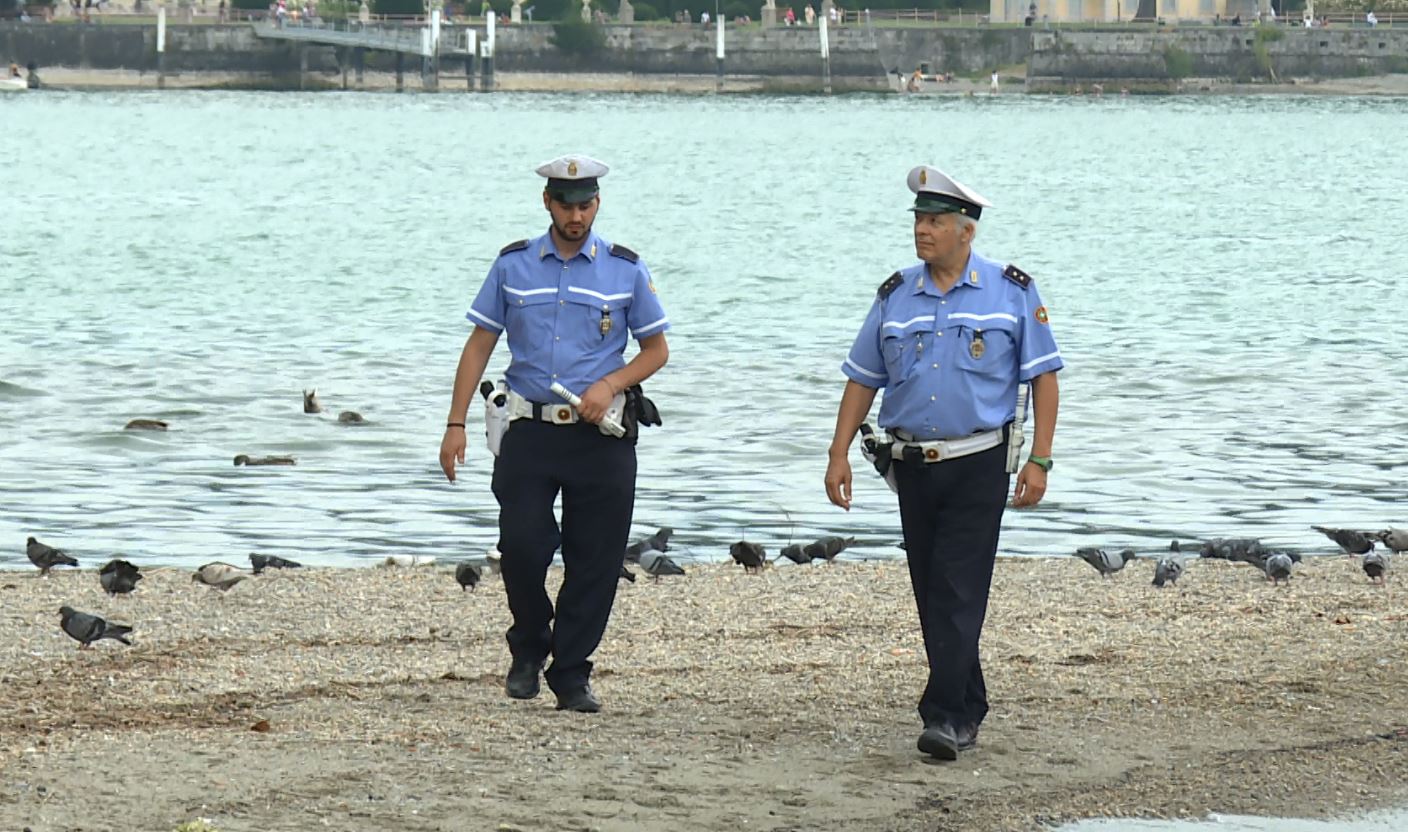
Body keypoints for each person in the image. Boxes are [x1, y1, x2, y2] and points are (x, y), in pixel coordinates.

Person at [824, 166, 1062, 761]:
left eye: (934, 222)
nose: (922, 231)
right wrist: (836, 453)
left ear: (966, 231)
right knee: (933, 592)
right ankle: (970, 701)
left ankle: (945, 717)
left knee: (958, 587)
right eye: (918, 221)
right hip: (912, 467)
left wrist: (1040, 460)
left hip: (979, 463)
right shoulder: (896, 295)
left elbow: (1045, 380)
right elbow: (862, 380)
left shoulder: (1011, 292)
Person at [439, 155, 670, 715]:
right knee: (522, 546)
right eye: (566, 204)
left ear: (597, 204)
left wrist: (610, 383)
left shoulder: (625, 269)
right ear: (548, 203)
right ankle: (529, 644)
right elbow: (479, 345)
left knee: (596, 558)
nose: (576, 215)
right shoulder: (513, 266)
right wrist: (455, 423)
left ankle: (571, 673)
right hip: (529, 430)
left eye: (585, 204)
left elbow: (656, 349)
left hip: (601, 436)